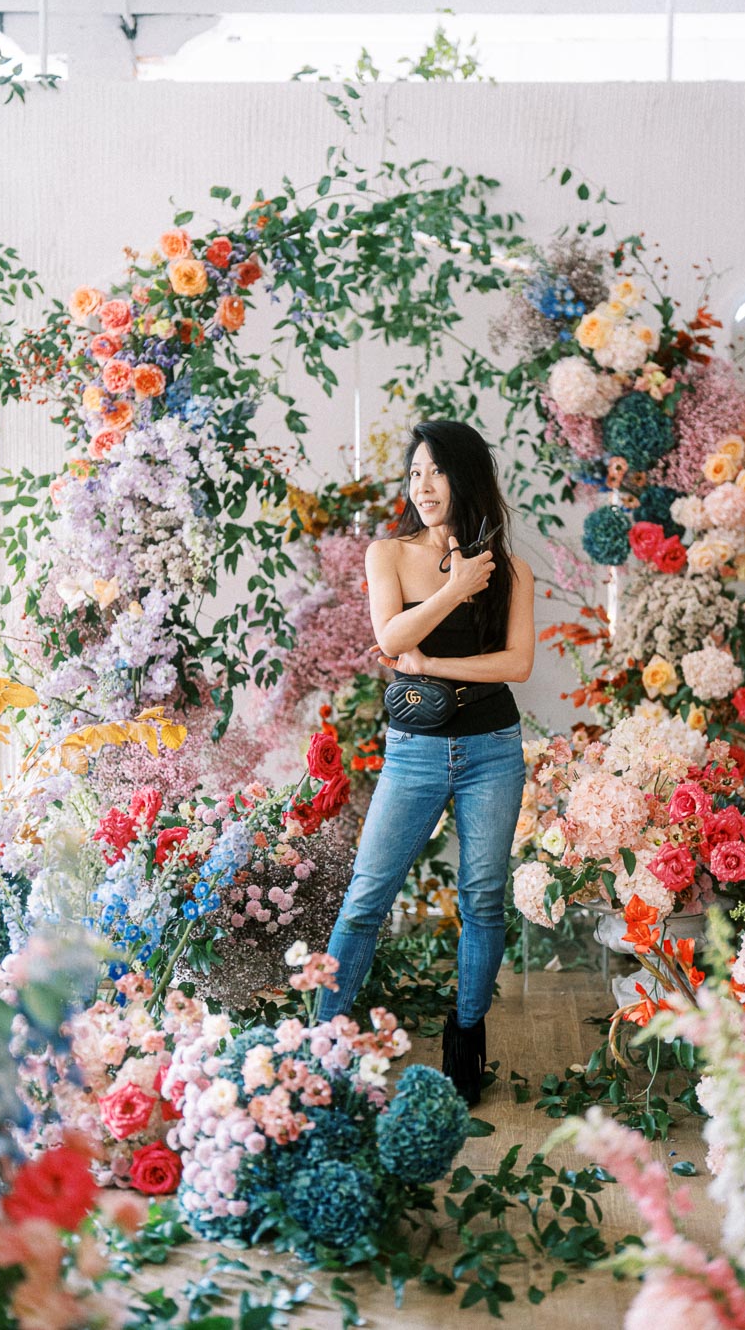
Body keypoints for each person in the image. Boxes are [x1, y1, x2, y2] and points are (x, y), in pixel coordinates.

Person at [317, 419, 535, 1105]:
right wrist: (455, 588)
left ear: (465, 477)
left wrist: (435, 663)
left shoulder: (514, 571)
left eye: (436, 471)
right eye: (415, 473)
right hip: (413, 755)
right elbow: (391, 637)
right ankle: (324, 1045)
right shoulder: (389, 553)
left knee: (483, 901)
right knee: (365, 899)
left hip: (493, 752)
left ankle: (467, 1039)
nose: (423, 485)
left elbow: (517, 664)